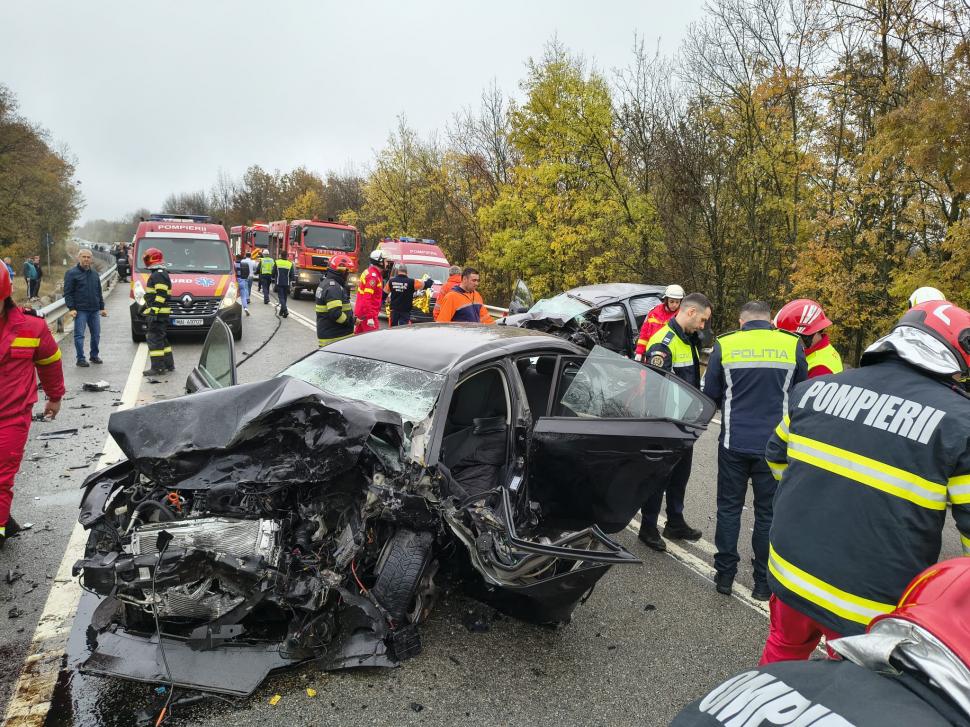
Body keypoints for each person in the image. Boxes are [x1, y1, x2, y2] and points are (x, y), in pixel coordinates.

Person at [760, 300, 970, 664]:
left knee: (783, 652)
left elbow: (776, 458)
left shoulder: (815, 389)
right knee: (849, 696)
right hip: (869, 599)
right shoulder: (959, 423)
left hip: (790, 570)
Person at [673, 557, 970, 727]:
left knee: (787, 644)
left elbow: (777, 459)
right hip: (860, 594)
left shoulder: (760, 680)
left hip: (794, 573)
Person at [702, 301, 807, 600]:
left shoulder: (726, 344)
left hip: (734, 441)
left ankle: (725, 576)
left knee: (729, 509)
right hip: (775, 447)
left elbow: (711, 394)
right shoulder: (792, 345)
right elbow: (801, 394)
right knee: (767, 514)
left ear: (741, 320)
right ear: (771, 319)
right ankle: (762, 583)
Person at [637, 292, 712, 551]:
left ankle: (675, 522)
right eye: (702, 320)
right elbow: (657, 391)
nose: (703, 326)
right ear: (690, 312)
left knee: (680, 476)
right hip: (667, 425)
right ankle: (648, 527)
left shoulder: (688, 340)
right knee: (659, 478)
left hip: (686, 424)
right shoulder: (664, 342)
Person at [0, 262, 64, 548]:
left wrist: (55, 396)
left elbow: (49, 362)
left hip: (11, 417)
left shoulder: (31, 326)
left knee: (0, 479)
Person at [773, 298, 843, 378]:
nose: (784, 341)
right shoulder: (816, 350)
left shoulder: (821, 369)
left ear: (806, 335)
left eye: (789, 336)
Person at [63, 249, 106, 367]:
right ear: (79, 258)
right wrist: (71, 308)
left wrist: (102, 307)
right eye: (84, 257)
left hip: (94, 310)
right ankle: (80, 358)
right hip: (80, 310)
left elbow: (99, 291)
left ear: (91, 259)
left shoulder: (94, 274)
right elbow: (68, 293)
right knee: (79, 335)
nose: (86, 259)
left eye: (88, 257)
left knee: (96, 334)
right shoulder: (71, 273)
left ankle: (94, 355)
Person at [141, 247, 174, 376]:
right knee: (162, 339)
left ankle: (157, 368)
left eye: (147, 258)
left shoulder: (158, 274)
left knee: (154, 340)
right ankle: (168, 364)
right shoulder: (159, 273)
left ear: (153, 258)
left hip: (158, 314)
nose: (145, 260)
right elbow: (156, 295)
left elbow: (161, 294)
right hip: (160, 312)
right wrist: (145, 306)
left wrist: (153, 311)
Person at [634, 284, 685, 361]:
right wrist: (639, 352)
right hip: (650, 354)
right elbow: (644, 335)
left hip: (670, 356)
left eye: (677, 302)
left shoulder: (681, 316)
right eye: (671, 301)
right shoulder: (653, 313)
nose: (674, 305)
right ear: (666, 300)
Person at [315, 254, 355, 347]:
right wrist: (350, 321)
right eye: (347, 271)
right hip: (336, 339)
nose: (347, 274)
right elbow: (335, 314)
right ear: (341, 271)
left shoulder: (326, 283)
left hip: (331, 337)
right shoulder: (334, 287)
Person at [354, 249, 386, 334]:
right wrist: (370, 317)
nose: (387, 263)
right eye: (385, 261)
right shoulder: (373, 277)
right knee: (373, 341)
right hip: (367, 314)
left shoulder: (370, 272)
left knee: (358, 339)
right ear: (380, 262)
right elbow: (367, 298)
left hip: (363, 312)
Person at [273, 251, 294, 318]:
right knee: (284, 298)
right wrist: (289, 280)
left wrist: (274, 277)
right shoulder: (290, 264)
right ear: (287, 256)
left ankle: (285, 310)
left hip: (279, 283)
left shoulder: (277, 262)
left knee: (281, 297)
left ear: (280, 255)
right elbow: (292, 275)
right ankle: (282, 312)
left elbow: (273, 272)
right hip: (286, 283)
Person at [236, 252, 255, 316]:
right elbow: (247, 272)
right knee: (243, 297)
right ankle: (246, 308)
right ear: (241, 259)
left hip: (235, 282)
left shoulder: (233, 264)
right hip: (242, 281)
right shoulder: (244, 264)